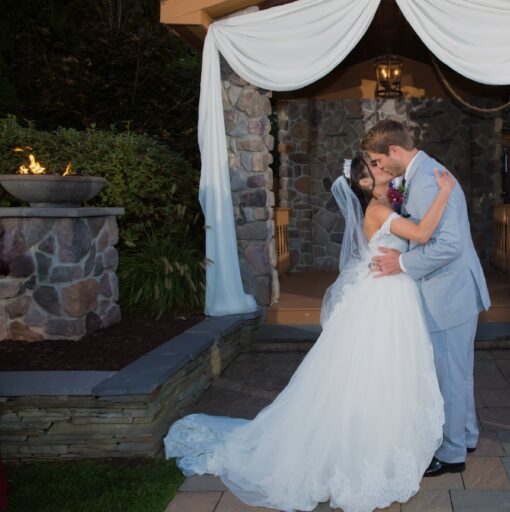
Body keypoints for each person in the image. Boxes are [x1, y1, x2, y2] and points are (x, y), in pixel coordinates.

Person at [165, 156, 457, 512]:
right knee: (379, 370)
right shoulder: (378, 210)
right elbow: (423, 234)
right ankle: (365, 451)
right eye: (375, 167)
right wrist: (446, 192)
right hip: (385, 298)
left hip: (390, 293)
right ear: (365, 183)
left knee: (386, 372)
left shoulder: (384, 204)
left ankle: (387, 445)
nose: (382, 168)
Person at [363, 119, 491, 477]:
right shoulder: (428, 173)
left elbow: (447, 244)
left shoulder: (425, 180)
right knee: (458, 372)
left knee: (450, 375)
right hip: (456, 290)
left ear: (395, 151)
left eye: (378, 160)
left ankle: (452, 454)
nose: (379, 168)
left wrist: (401, 262)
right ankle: (465, 435)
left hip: (447, 293)